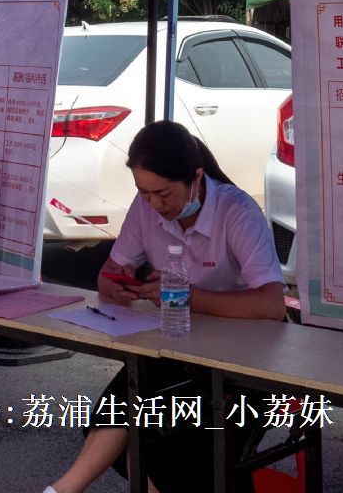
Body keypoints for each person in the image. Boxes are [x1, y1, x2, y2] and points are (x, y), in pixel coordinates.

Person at [45, 120, 285, 493]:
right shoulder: (146, 210)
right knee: (131, 415)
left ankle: (63, 490)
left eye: (164, 193)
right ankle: (63, 489)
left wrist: (186, 297)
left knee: (156, 439)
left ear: (196, 178)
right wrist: (114, 282)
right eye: (143, 193)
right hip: (175, 348)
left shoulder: (236, 212)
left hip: (241, 364)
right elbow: (110, 271)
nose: (155, 205)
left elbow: (272, 305)